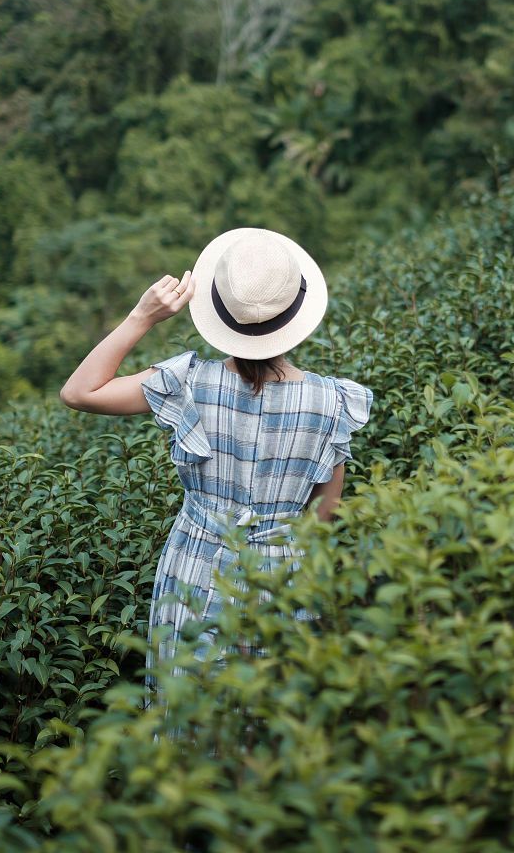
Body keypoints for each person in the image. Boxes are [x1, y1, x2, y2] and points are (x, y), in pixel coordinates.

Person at [58, 226, 373, 715]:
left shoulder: (187, 383)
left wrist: (143, 315)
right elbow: (324, 518)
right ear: (294, 313)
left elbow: (80, 392)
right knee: (273, 739)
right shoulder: (334, 403)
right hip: (285, 582)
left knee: (187, 732)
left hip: (194, 572)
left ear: (220, 311)